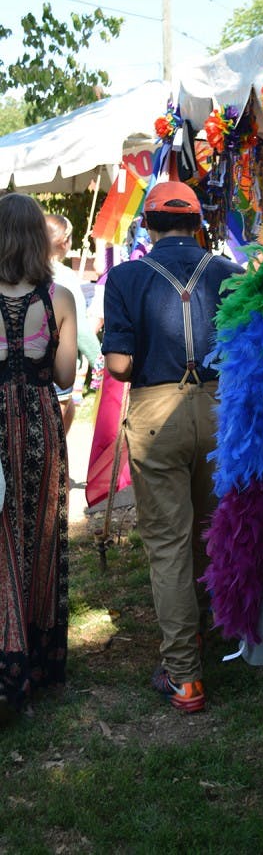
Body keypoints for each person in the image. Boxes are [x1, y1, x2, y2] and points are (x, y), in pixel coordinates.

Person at [101, 181, 241, 714]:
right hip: (222, 411)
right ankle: (205, 631)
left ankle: (184, 675)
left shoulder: (126, 276)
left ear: (149, 224)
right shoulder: (230, 273)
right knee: (209, 531)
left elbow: (118, 366)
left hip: (158, 413)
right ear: (197, 222)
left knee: (168, 543)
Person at [0, 195, 77, 719]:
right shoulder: (60, 298)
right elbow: (68, 378)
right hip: (41, 423)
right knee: (40, 532)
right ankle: (37, 657)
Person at [44, 214, 103, 433]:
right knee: (54, 440)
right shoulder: (65, 276)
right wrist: (100, 361)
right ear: (64, 241)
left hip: (22, 371)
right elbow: (79, 329)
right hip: (57, 369)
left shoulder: (18, 272)